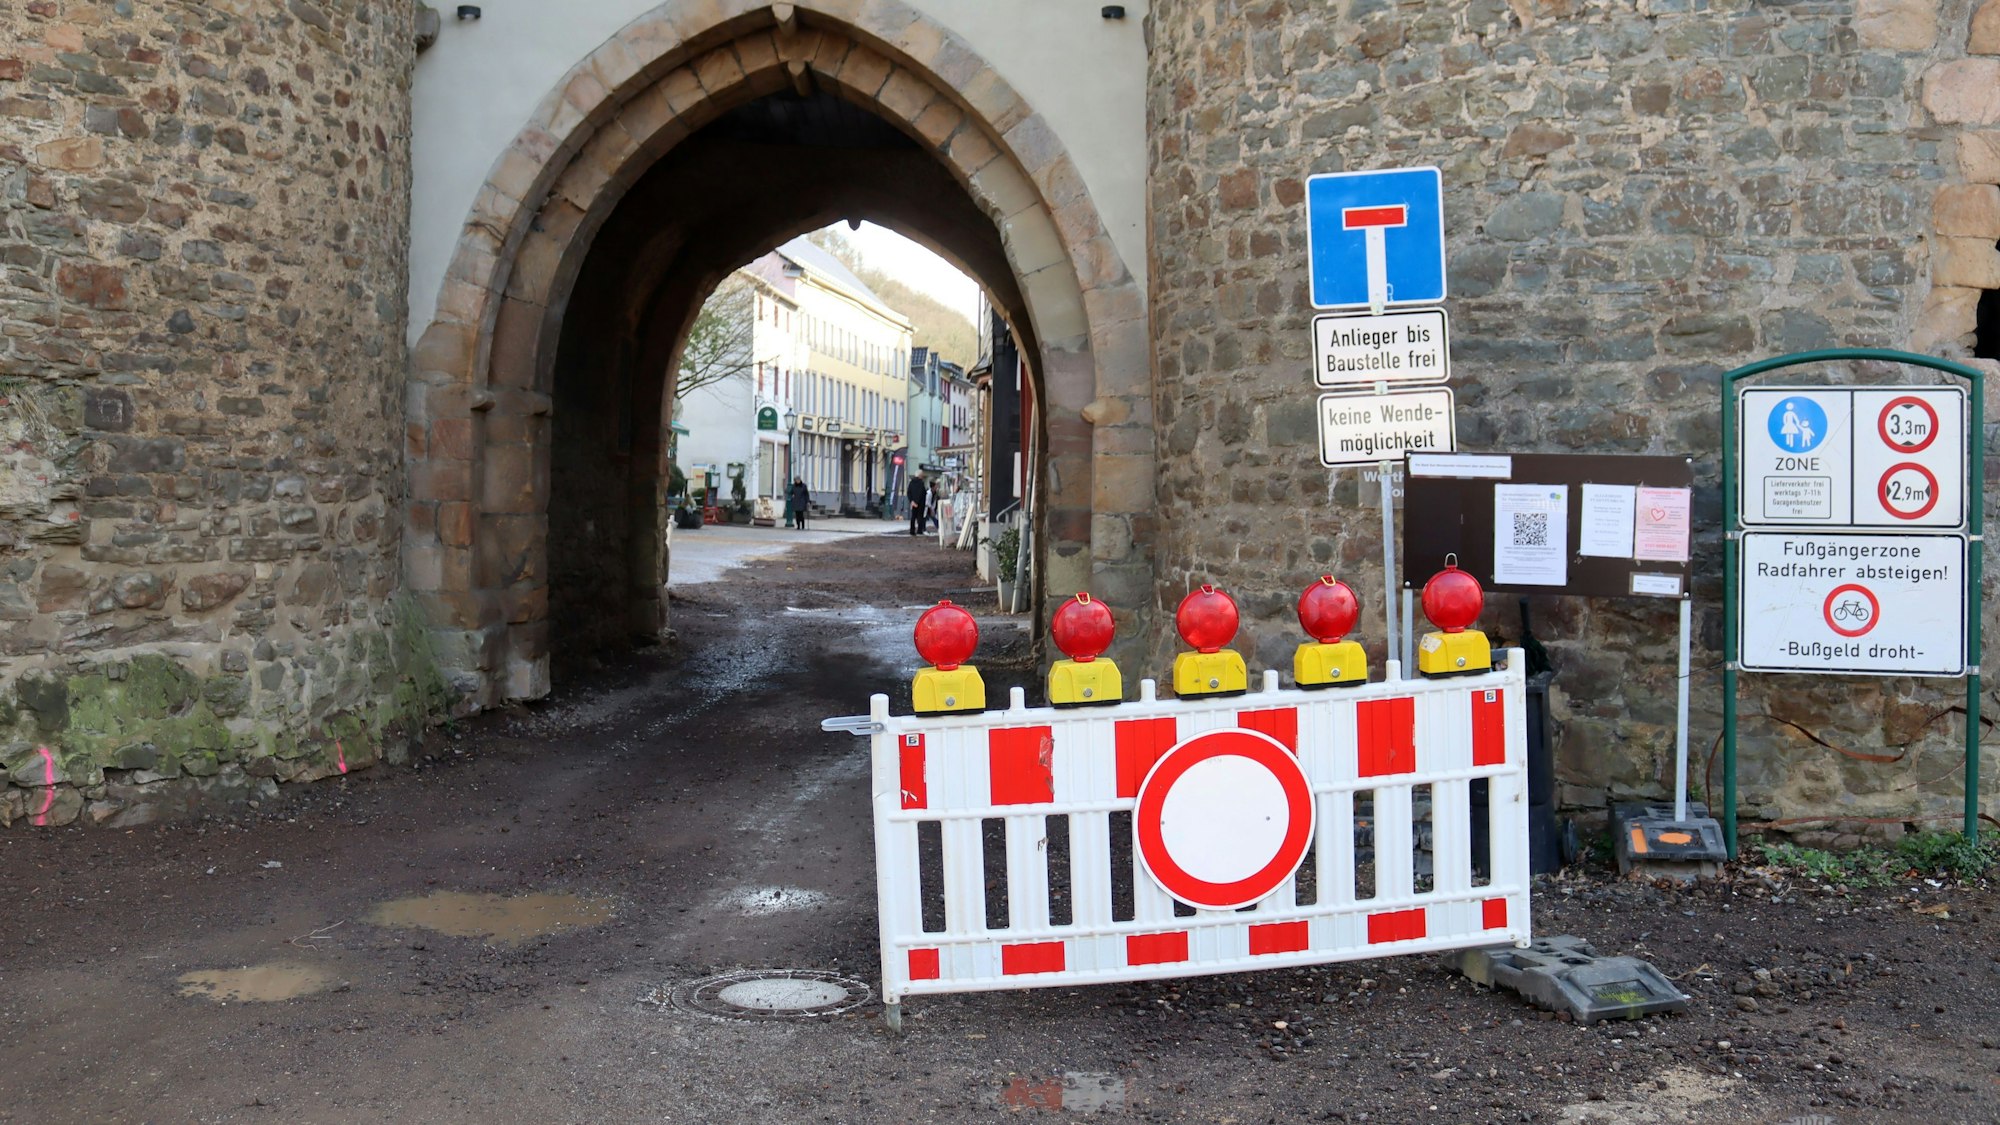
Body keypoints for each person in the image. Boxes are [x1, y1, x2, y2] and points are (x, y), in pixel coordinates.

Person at [906, 470, 928, 537]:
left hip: (913, 502)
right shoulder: (921, 483)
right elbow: (921, 493)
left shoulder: (911, 482)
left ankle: (912, 530)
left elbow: (908, 492)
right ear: (920, 476)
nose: (923, 476)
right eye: (922, 475)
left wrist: (912, 501)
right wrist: (917, 502)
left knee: (913, 517)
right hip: (920, 503)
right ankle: (919, 530)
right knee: (920, 517)